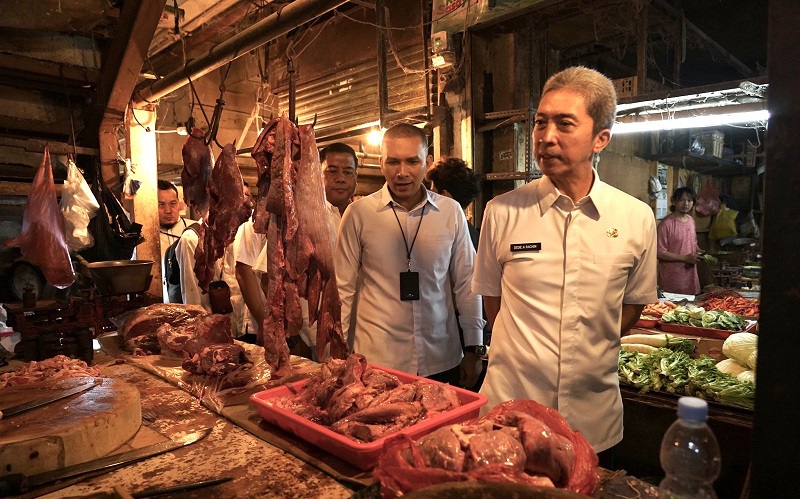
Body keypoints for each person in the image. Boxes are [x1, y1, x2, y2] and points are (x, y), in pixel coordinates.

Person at [472, 66, 658, 455]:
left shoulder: (635, 217)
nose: (546, 137)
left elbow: (632, 307)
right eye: (541, 122)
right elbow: (494, 304)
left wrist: (586, 346)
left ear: (600, 138)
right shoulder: (502, 211)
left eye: (565, 124)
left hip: (592, 417)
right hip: (511, 411)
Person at [335, 124, 485, 388]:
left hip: (442, 357)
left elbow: (467, 282)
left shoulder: (450, 213)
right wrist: (337, 351)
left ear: (426, 162)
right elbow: (342, 289)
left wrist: (474, 347)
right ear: (381, 163)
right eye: (393, 162)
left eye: (412, 161)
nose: (402, 173)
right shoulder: (359, 214)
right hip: (378, 359)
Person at [251, 142, 358, 357]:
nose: (341, 178)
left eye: (348, 172)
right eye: (332, 171)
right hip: (311, 337)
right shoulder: (300, 215)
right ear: (318, 173)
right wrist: (292, 337)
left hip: (358, 333)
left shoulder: (362, 216)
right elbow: (268, 278)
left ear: (356, 176)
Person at [425, 157, 482, 250]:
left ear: (445, 196)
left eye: (432, 192)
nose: (428, 198)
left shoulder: (442, 239)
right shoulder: (475, 236)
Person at [657, 187, 703, 295]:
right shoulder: (666, 224)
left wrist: (701, 252)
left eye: (689, 200)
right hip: (673, 279)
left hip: (690, 277)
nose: (686, 203)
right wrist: (685, 258)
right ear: (674, 201)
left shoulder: (691, 220)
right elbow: (659, 252)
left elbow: (693, 242)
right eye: (682, 200)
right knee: (673, 308)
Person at [158, 179, 196, 301]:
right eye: (161, 204)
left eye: (173, 204)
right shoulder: (146, 237)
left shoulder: (195, 232)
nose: (168, 210)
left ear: (180, 204)